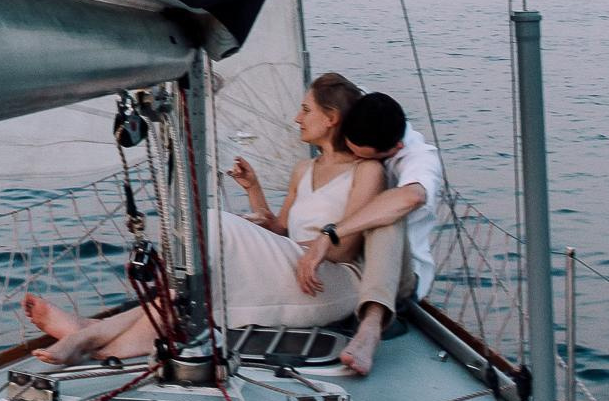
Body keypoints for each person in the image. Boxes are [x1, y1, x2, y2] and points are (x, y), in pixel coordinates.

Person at [22, 73, 383, 365]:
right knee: (206, 253)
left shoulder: (365, 172)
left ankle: (96, 334)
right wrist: (253, 189)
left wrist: (277, 247)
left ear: (331, 118)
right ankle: (95, 334)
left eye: (306, 110)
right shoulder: (304, 168)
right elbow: (281, 228)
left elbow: (346, 249)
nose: (296, 118)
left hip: (333, 285)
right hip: (295, 270)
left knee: (212, 225)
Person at [291, 90, 443, 375]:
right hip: (348, 261)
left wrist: (330, 235)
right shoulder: (363, 112)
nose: (355, 160)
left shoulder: (419, 160)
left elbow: (412, 198)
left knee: (387, 209)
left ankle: (371, 326)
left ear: (394, 148)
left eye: (363, 158)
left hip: (399, 276)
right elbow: (330, 93)